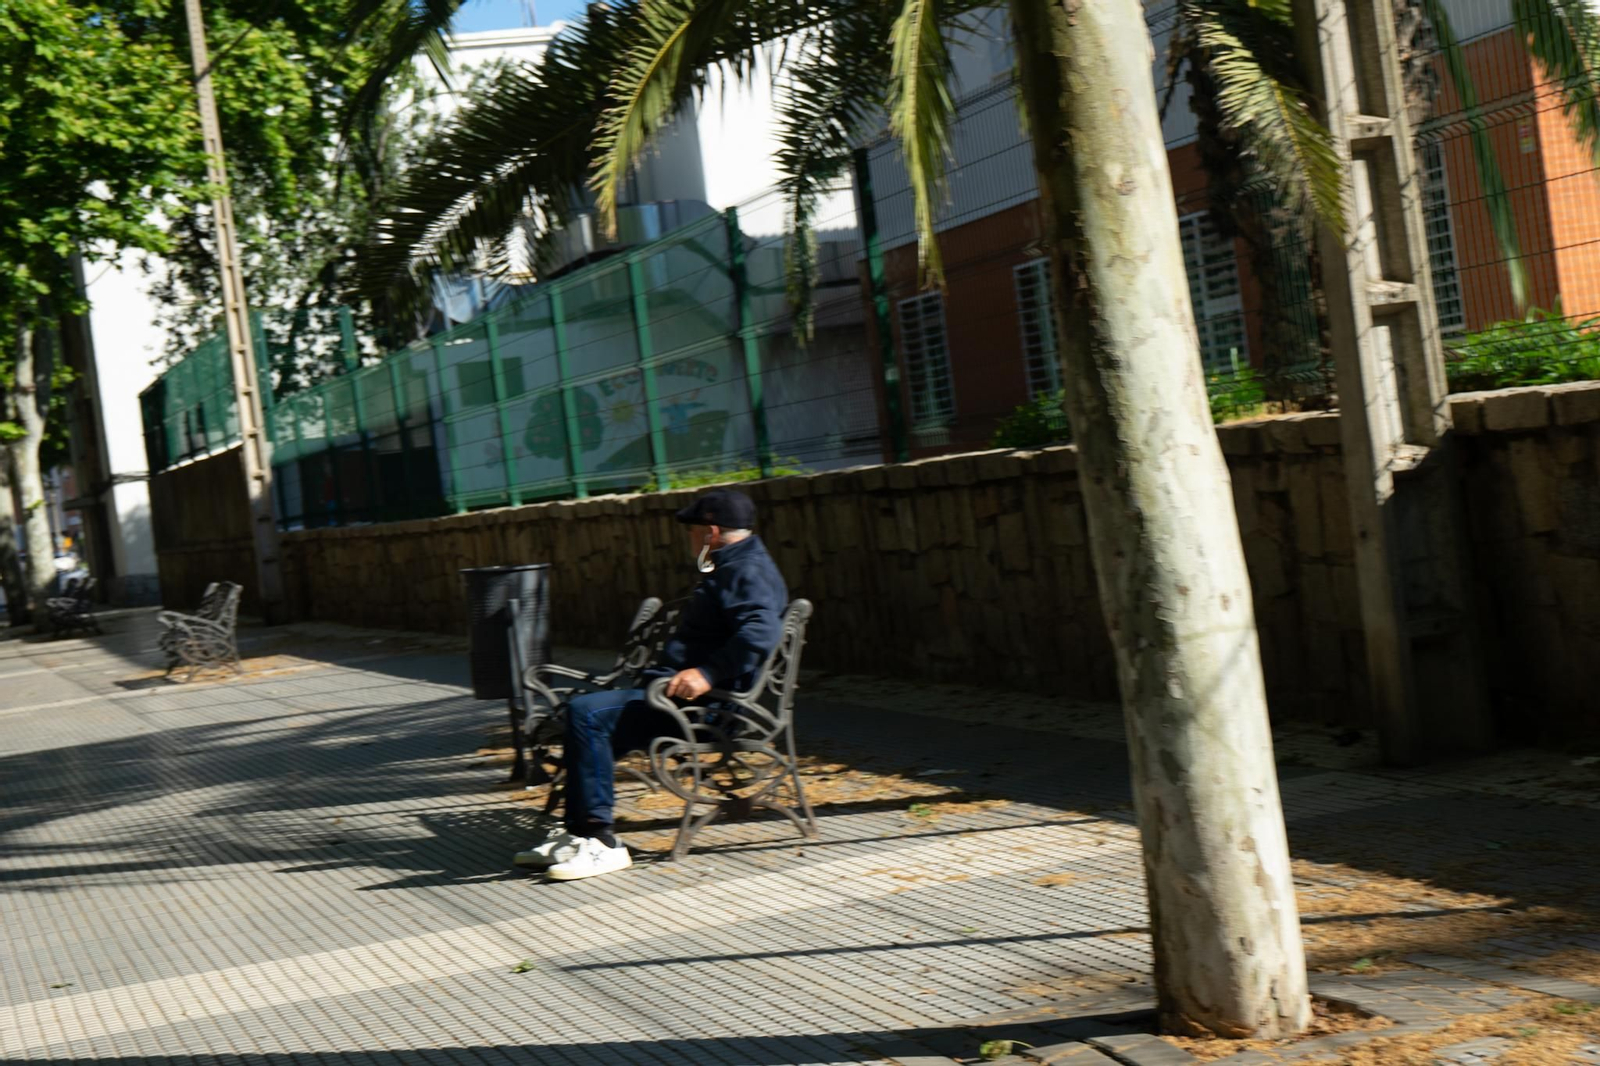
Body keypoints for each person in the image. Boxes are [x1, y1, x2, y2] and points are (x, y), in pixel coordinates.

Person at [515, 487, 789, 881]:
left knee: (586, 715)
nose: (689, 540)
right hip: (675, 699)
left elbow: (761, 631)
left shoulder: (746, 570)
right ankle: (580, 834)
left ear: (710, 532)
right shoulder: (735, 563)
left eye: (692, 532)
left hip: (699, 710)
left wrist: (707, 673)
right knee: (590, 721)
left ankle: (603, 844)